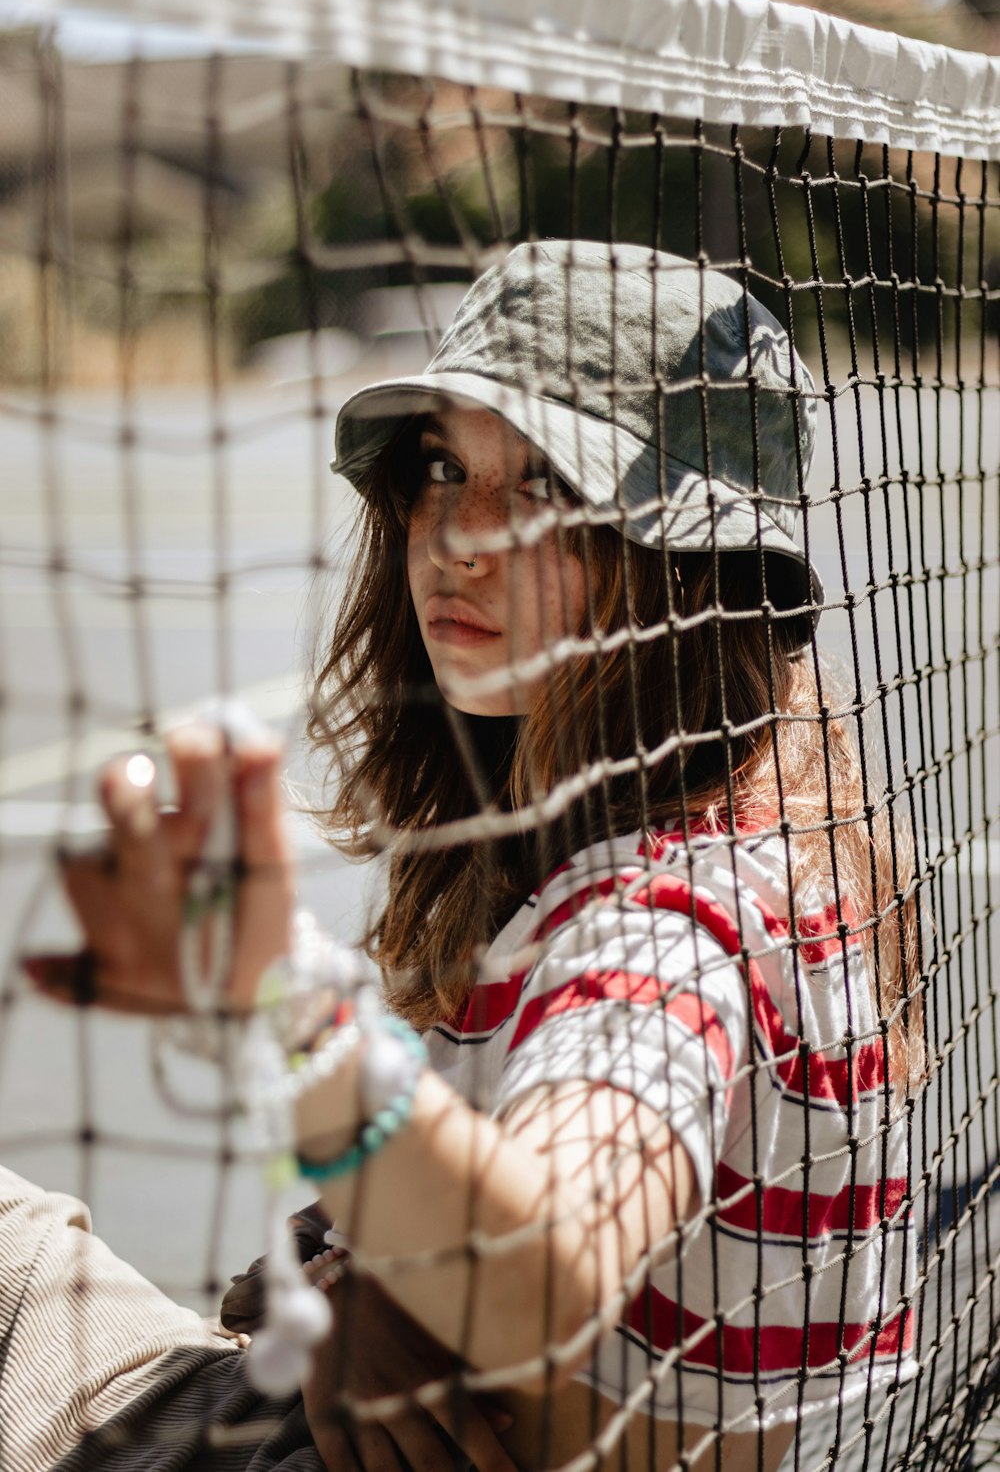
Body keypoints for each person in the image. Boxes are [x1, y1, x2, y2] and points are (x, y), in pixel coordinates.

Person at [13, 240, 922, 1472]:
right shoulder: (770, 831)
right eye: (442, 468)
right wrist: (351, 1279)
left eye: (547, 485)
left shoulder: (673, 919)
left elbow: (534, 1272)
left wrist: (273, 987)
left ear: (698, 567)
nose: (459, 538)